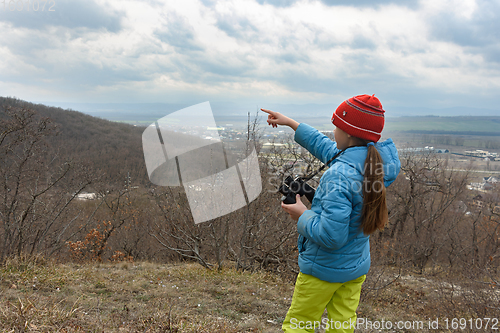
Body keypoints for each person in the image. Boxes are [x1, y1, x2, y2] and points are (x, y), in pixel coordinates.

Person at [261, 94, 401, 333]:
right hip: (354, 267)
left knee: (299, 326)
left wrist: (302, 214)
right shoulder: (372, 162)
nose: (333, 132)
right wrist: (292, 123)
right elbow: (327, 148)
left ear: (348, 134)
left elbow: (331, 236)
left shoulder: (339, 175)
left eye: (336, 126)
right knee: (342, 325)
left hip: (324, 269)